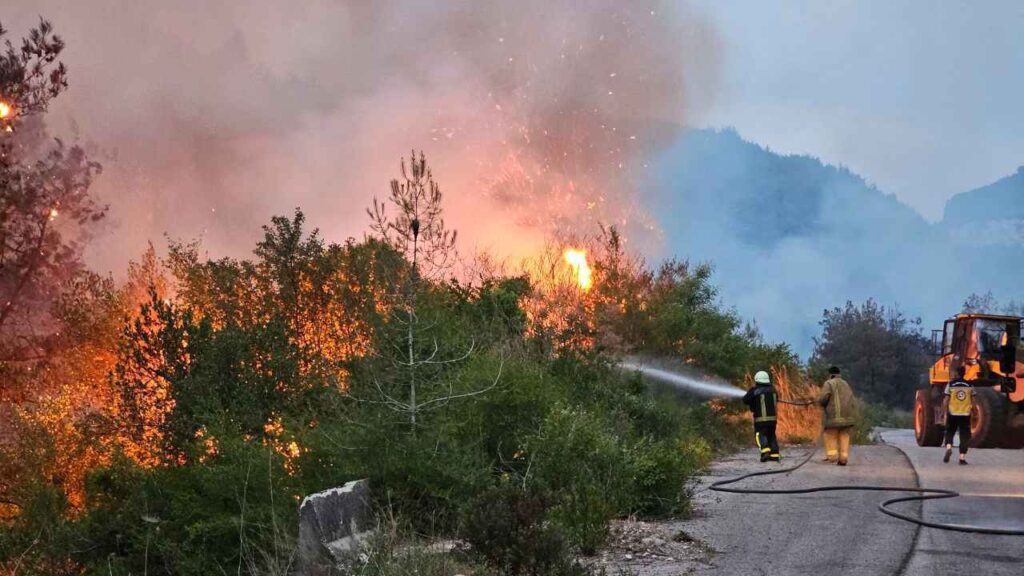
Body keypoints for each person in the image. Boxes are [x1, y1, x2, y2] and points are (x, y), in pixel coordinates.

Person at [818, 366, 856, 466]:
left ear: (830, 374)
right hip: (847, 417)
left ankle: (832, 456)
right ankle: (843, 458)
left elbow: (823, 398)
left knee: (830, 435)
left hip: (833, 417)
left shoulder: (828, 383)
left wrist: (821, 403)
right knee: (844, 436)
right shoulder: (845, 383)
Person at [743, 370, 780, 462]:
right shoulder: (773, 390)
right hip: (773, 420)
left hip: (760, 419)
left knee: (760, 434)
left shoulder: (755, 390)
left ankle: (765, 451)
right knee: (771, 435)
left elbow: (745, 400)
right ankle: (775, 454)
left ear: (757, 380)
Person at [942, 367, 975, 465]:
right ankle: (962, 458)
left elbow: (946, 400)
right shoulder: (970, 385)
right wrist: (973, 412)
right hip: (965, 414)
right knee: (964, 435)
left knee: (950, 431)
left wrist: (944, 411)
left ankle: (948, 448)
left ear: (957, 373)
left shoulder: (951, 384)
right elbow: (973, 401)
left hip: (953, 413)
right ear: (965, 373)